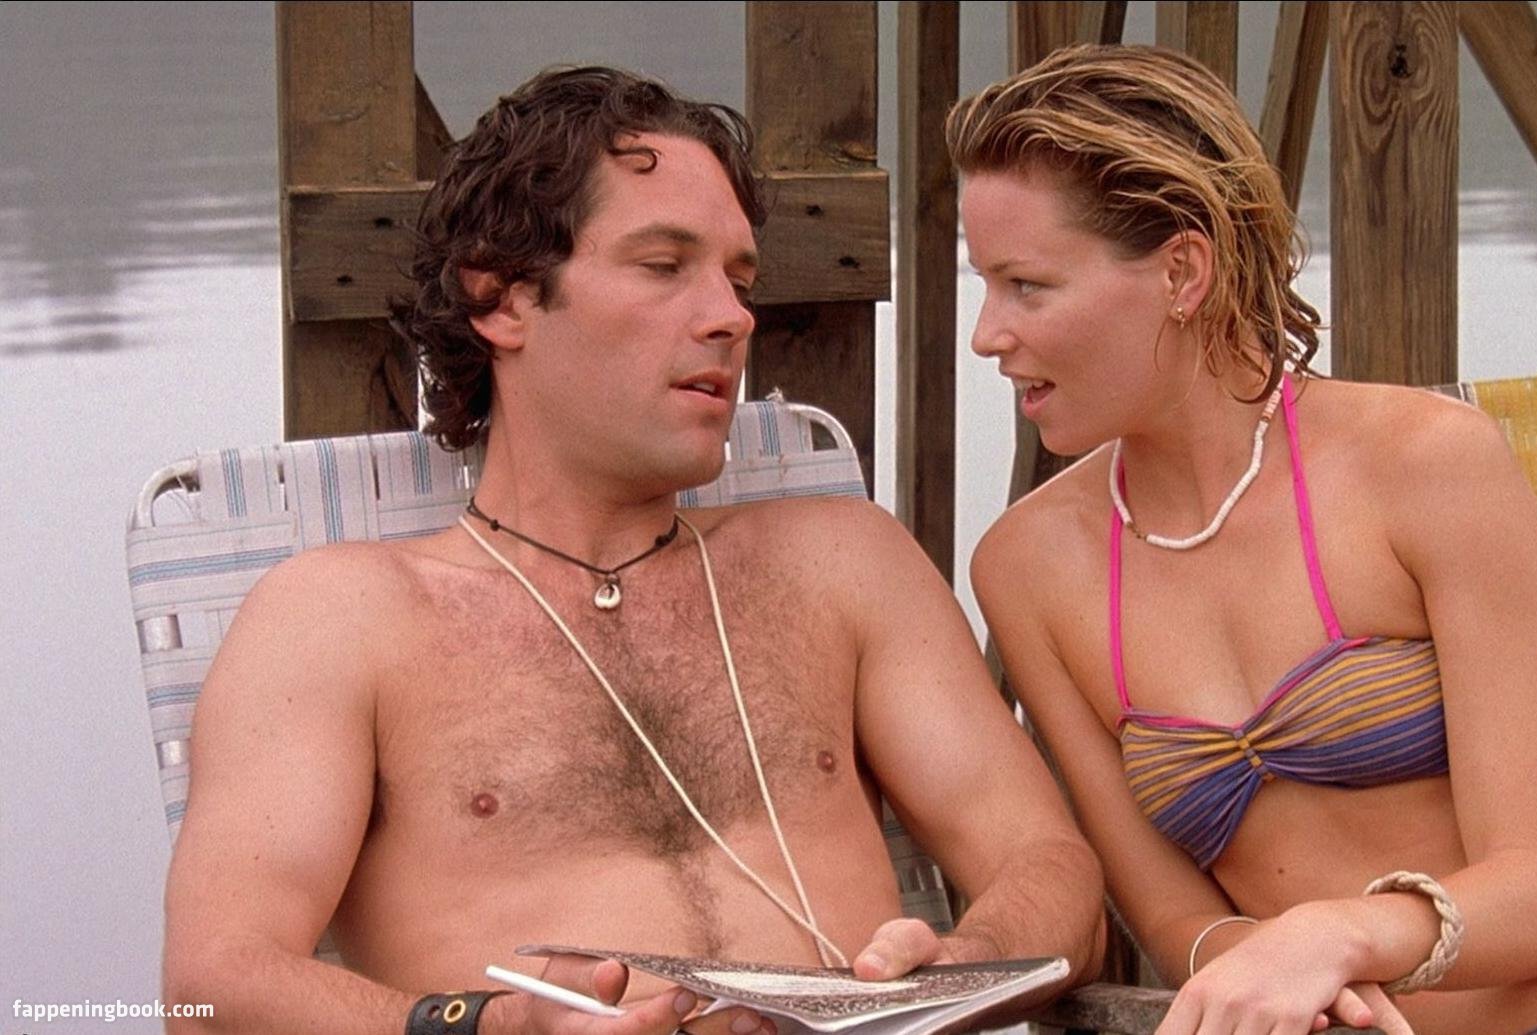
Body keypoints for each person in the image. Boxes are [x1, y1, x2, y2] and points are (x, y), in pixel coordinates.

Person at [161, 66, 1104, 1035]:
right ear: (500, 298)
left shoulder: (841, 565)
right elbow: (212, 980)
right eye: (663, 266)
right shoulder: (343, 619)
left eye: (740, 281)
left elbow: (1050, 867)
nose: (732, 316)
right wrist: (490, 1027)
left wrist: (960, 965)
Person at [954, 44, 1537, 1035]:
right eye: (984, 285)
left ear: (1183, 271)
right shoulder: (1028, 569)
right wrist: (1277, 963)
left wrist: (1333, 935)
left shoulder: (1424, 465)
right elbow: (1177, 919)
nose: (986, 334)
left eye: (1026, 285)